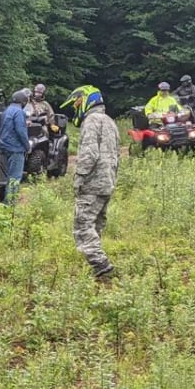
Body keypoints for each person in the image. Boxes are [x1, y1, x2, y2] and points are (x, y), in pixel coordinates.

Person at [65, 85, 119, 280]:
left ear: (87, 100)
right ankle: (98, 267)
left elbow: (89, 154)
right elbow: (117, 156)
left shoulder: (91, 121)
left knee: (83, 225)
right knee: (95, 225)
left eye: (77, 103)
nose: (75, 107)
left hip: (92, 183)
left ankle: (101, 265)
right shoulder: (110, 121)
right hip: (107, 182)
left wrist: (78, 178)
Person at [0, 88, 31, 205]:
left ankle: (5, 201)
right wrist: (27, 146)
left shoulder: (7, 110)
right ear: (23, 102)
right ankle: (10, 204)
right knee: (14, 178)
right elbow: (21, 131)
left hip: (4, 147)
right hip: (16, 149)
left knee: (7, 176)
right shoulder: (19, 112)